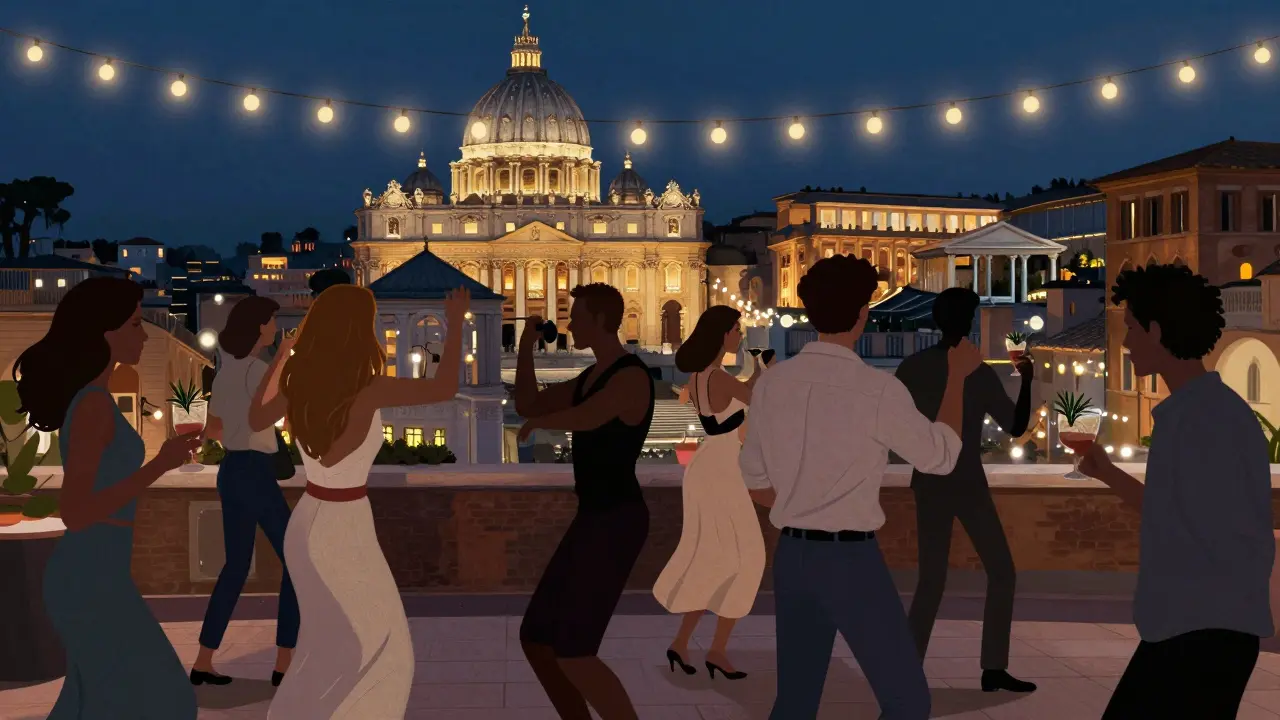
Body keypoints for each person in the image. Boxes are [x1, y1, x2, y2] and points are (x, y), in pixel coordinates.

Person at [739, 255, 982, 720]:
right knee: (907, 700)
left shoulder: (772, 385)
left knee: (795, 700)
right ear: (863, 314)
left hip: (792, 554)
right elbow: (940, 457)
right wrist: (956, 380)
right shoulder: (876, 389)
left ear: (809, 313)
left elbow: (754, 481)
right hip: (849, 559)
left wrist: (801, 503)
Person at [264, 285, 470, 719]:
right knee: (386, 647)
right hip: (342, 522)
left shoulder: (299, 384)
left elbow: (254, 418)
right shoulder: (369, 390)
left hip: (306, 522)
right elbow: (445, 387)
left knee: (323, 644)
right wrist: (454, 324)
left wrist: (285, 356)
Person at [1079, 264, 1272, 719]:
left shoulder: (1201, 420)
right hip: (1200, 629)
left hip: (1201, 633)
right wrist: (1108, 473)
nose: (1125, 344)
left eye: (1131, 329)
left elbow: (1209, 531)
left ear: (1157, 331)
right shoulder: (1203, 411)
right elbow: (1176, 511)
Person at [16, 277, 202, 719]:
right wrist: (160, 465)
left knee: (92, 701)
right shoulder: (93, 406)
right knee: (165, 698)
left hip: (100, 573)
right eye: (136, 324)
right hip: (88, 579)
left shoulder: (96, 400)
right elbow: (76, 513)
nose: (144, 334)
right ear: (106, 333)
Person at [514, 283, 655, 720]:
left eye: (577, 316)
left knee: (575, 652)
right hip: (594, 516)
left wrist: (541, 423)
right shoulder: (590, 377)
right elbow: (527, 402)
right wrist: (525, 349)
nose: (570, 323)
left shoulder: (631, 375)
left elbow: (592, 416)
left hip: (618, 520)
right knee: (537, 638)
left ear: (598, 321)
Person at [895, 287, 1037, 693]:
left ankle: (907, 669)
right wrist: (1026, 380)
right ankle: (992, 667)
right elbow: (1015, 426)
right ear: (966, 322)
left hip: (931, 482)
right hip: (968, 481)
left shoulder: (912, 367)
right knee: (1002, 573)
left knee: (931, 580)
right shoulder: (977, 371)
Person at [654, 305, 770, 680]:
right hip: (723, 469)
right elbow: (755, 400)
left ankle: (685, 643)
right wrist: (767, 373)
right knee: (747, 557)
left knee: (713, 557)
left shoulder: (702, 376)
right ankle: (715, 649)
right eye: (736, 329)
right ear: (722, 334)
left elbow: (742, 397)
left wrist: (757, 374)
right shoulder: (719, 379)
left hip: (708, 465)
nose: (739, 334)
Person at [192, 296, 300, 687]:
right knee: (296, 560)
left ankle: (203, 661)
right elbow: (271, 414)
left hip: (232, 470)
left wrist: (244, 428)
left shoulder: (226, 372)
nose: (275, 326)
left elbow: (214, 430)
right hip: (255, 471)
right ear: (259, 328)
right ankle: (284, 663)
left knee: (235, 568)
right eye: (272, 320)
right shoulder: (257, 370)